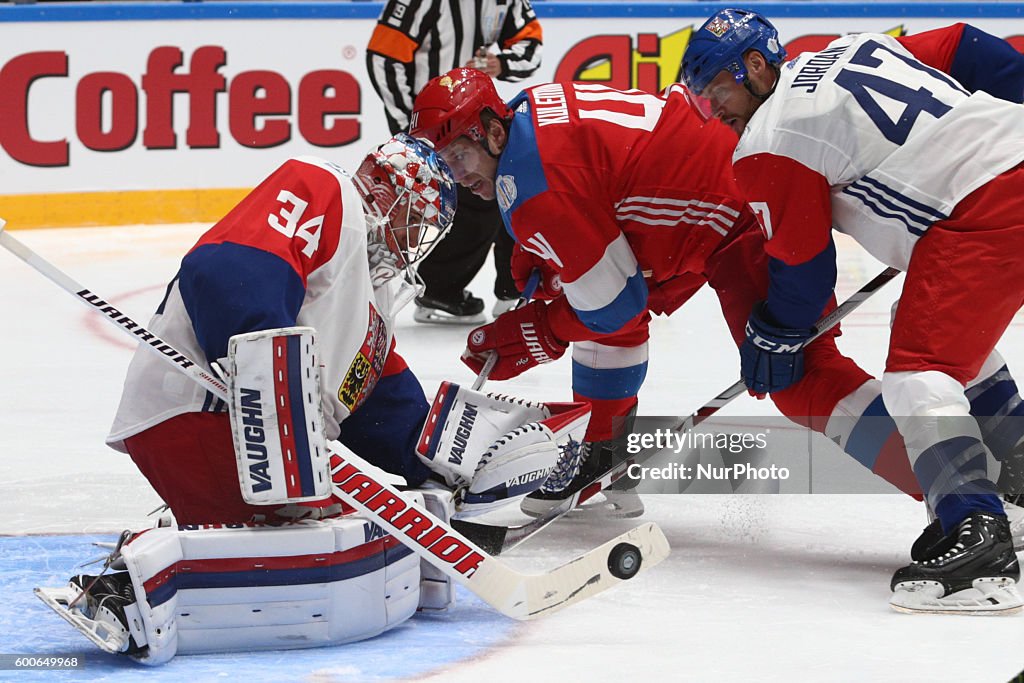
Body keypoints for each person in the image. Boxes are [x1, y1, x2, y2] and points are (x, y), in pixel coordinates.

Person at [37, 134, 590, 663]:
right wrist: (272, 401)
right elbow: (228, 271)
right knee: (305, 551)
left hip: (250, 436)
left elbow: (378, 404)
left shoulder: (369, 299)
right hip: (200, 412)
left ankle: (160, 563)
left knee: (357, 534)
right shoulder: (322, 188)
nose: (419, 234)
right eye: (418, 216)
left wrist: (438, 467)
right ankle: (125, 591)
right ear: (388, 190)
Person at [408, 67, 939, 520]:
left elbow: (616, 305)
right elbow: (611, 256)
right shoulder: (523, 113)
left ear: (490, 133)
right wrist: (558, 271)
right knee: (589, 290)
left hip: (743, 210)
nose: (457, 178)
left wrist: (539, 329)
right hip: (729, 192)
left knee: (803, 375)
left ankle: (961, 488)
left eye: (458, 157)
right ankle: (600, 450)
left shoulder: (533, 187)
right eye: (443, 165)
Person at [681, 10, 1024, 613]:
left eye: (718, 91)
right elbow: (965, 44)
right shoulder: (851, 48)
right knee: (928, 329)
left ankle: (980, 544)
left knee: (920, 371)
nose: (717, 112)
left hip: (985, 211)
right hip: (1005, 172)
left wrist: (775, 331)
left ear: (755, 67)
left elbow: (806, 273)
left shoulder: (770, 139)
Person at [367, 0, 544, 323]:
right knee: (477, 199)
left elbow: (531, 48)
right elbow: (383, 57)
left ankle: (509, 289)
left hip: (476, 119)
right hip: (432, 126)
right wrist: (410, 127)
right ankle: (442, 290)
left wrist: (500, 64)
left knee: (509, 178)